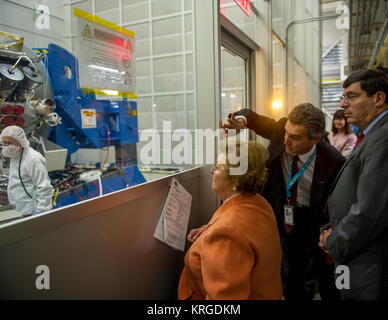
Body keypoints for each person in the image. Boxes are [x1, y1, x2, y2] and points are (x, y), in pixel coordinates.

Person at [223, 103, 345, 300]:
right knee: (290, 275)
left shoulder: (333, 162)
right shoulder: (281, 131)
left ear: (315, 139)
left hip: (316, 221)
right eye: (286, 133)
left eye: (295, 138)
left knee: (324, 276)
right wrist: (240, 121)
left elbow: (338, 203)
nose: (285, 141)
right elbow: (251, 116)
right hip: (285, 215)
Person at [178, 140, 283, 299]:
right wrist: (208, 230)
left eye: (218, 168)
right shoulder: (259, 203)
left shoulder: (227, 232)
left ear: (236, 180)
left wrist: (217, 235)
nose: (212, 172)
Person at [319, 69, 388, 299]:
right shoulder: (371, 135)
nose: (343, 104)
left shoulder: (383, 139)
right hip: (352, 255)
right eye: (343, 97)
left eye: (351, 96)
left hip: (365, 262)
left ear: (378, 98)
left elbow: (370, 211)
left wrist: (334, 241)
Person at [0, 125, 53, 215]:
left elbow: (44, 187)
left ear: (21, 141)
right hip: (17, 207)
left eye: (10, 143)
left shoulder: (34, 159)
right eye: (4, 143)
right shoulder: (14, 154)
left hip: (31, 208)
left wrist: (42, 212)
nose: (6, 146)